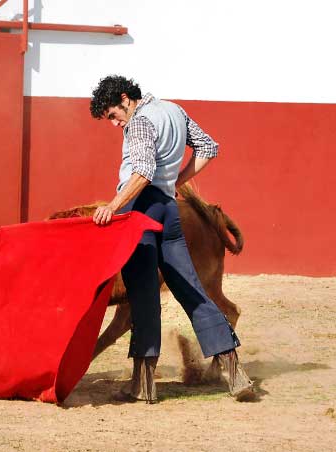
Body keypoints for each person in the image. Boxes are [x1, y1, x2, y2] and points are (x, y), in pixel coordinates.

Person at [90, 75, 254, 403]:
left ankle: (144, 384)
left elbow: (142, 172)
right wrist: (178, 180)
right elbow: (209, 147)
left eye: (111, 115)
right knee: (191, 289)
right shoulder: (173, 111)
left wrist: (114, 205)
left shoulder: (138, 123)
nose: (113, 123)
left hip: (142, 211)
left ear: (125, 98)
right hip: (169, 209)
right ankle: (235, 371)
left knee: (144, 295)